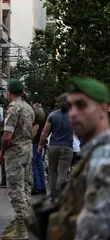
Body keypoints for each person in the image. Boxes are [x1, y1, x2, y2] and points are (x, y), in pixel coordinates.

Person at [45, 77, 110, 240]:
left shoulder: (104, 159)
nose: (73, 114)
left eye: (81, 105)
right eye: (70, 106)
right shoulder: (92, 153)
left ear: (103, 109)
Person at [0, 79, 35, 240]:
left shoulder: (14, 107)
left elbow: (7, 136)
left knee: (15, 189)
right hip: (27, 150)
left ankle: (21, 228)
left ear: (9, 92)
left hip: (16, 152)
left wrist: (1, 151)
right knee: (25, 187)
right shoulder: (29, 108)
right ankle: (21, 221)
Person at [38, 93, 73, 197]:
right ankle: (61, 194)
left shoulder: (52, 115)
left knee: (52, 171)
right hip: (67, 146)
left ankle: (53, 193)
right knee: (63, 171)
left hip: (53, 146)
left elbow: (45, 131)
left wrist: (40, 144)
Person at [31, 103, 47, 195]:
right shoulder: (44, 120)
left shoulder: (35, 123)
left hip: (34, 143)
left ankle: (37, 186)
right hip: (40, 144)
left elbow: (33, 133)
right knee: (39, 164)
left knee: (34, 165)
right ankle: (42, 186)